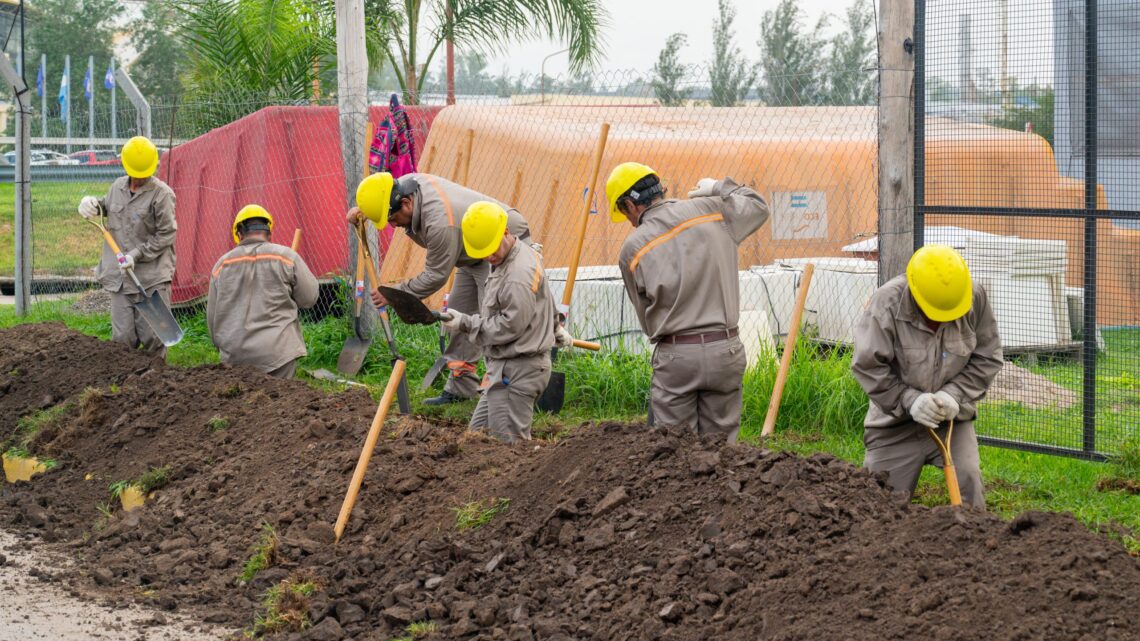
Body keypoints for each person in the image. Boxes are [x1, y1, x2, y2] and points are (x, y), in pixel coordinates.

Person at [608, 163, 770, 443]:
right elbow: (759, 206)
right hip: (726, 350)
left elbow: (646, 319)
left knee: (675, 450)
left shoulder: (633, 249)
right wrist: (720, 187)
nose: (629, 221)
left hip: (677, 356)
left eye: (624, 213)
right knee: (722, 448)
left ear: (629, 205)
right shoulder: (713, 210)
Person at [346, 172, 532, 405]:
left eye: (392, 219)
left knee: (493, 321)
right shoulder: (404, 187)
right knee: (458, 312)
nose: (392, 225)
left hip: (499, 244)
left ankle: (509, 391)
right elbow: (381, 200)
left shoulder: (439, 223)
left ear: (406, 203)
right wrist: (362, 212)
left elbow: (435, 276)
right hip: (469, 252)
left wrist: (395, 295)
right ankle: (462, 387)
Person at [851, 245, 1003, 508]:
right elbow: (868, 366)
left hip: (951, 423)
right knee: (878, 507)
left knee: (969, 481)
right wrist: (910, 400)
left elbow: (987, 357)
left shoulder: (972, 298)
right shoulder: (886, 303)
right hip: (893, 426)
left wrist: (953, 395)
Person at [436, 202, 569, 442]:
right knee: (476, 439)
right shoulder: (520, 253)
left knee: (508, 449)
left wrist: (466, 323)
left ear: (506, 232)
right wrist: (555, 327)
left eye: (492, 249)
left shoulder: (517, 275)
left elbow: (510, 326)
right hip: (505, 368)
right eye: (483, 252)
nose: (489, 256)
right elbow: (544, 297)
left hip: (517, 369)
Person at [77, 136, 176, 357]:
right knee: (122, 342)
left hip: (151, 279)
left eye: (144, 175)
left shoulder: (162, 195)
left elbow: (166, 233)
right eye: (136, 174)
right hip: (121, 280)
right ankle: (123, 388)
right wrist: (92, 204)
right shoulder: (117, 187)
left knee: (153, 339)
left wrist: (137, 254)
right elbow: (106, 207)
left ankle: (156, 384)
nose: (139, 179)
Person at [206, 205, 319, 379]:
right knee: (280, 402)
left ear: (239, 234)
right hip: (277, 354)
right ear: (268, 231)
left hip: (234, 357)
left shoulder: (221, 265)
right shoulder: (286, 257)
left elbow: (213, 318)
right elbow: (309, 299)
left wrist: (224, 348)